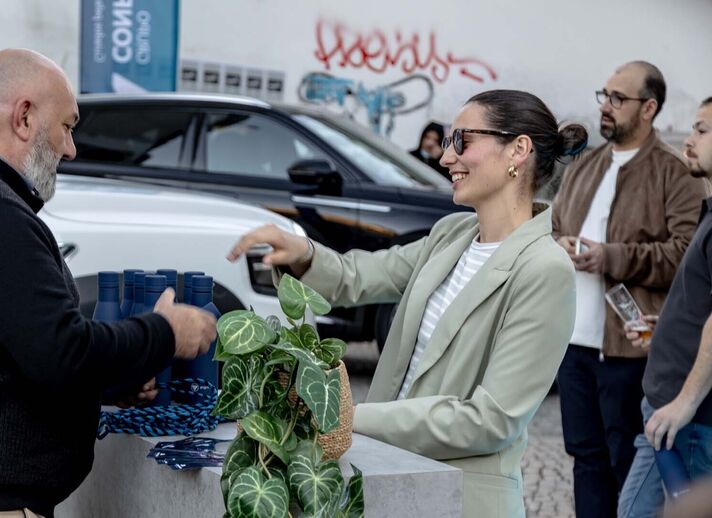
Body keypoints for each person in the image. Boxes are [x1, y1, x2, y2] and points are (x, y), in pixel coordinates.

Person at [0, 49, 217, 517]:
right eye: (68, 127)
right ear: (25, 117)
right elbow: (64, 352)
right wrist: (167, 333)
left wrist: (109, 386)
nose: (70, 149)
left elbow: (3, 358)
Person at [228, 89, 585, 517]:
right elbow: (356, 278)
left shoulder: (545, 269)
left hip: (460, 500)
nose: (446, 158)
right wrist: (303, 251)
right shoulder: (451, 234)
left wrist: (350, 417)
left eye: (462, 141)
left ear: (518, 150)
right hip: (390, 479)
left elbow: (491, 421)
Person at [551, 61, 706, 518]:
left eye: (619, 98)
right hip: (573, 342)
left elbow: (684, 255)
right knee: (584, 459)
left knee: (627, 465)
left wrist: (611, 257)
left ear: (649, 108)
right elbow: (557, 224)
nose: (606, 106)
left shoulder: (674, 173)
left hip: (630, 349)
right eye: (604, 95)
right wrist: (559, 242)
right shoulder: (587, 165)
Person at [617, 97, 712, 518]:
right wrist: (669, 327)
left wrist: (685, 403)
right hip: (670, 413)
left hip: (686, 421)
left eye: (702, 130)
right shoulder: (708, 212)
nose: (688, 139)